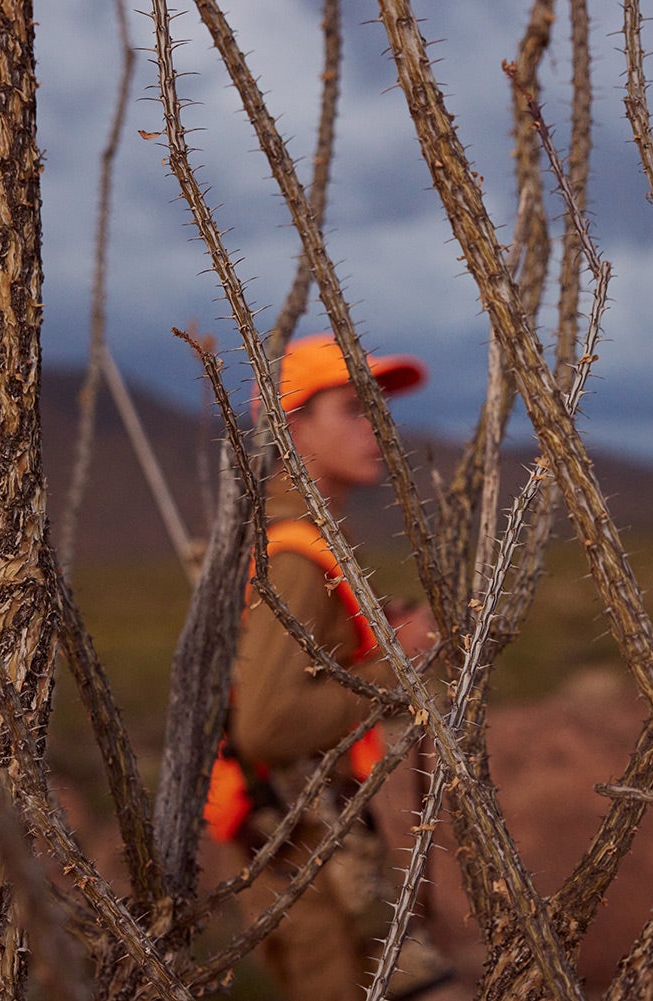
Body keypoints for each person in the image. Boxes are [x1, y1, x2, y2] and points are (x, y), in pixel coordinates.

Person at [205, 332, 456, 1001]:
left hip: (316, 844)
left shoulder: (304, 535)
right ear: (293, 428)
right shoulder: (293, 554)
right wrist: (392, 673)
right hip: (293, 853)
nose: (377, 426)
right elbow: (266, 722)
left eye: (379, 408)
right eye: (352, 408)